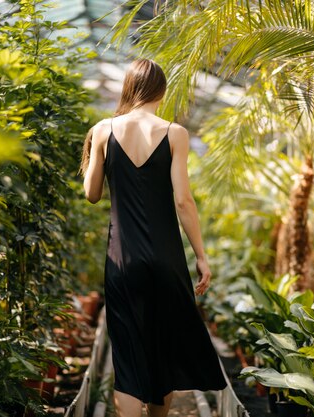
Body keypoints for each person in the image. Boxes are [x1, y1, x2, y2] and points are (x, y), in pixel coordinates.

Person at [82, 59, 227, 417]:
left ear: (128, 88)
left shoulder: (104, 130)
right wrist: (202, 256)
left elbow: (92, 193)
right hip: (167, 260)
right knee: (163, 352)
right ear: (162, 92)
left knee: (129, 362)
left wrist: (93, 153)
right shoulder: (175, 133)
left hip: (122, 261)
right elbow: (183, 200)